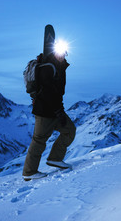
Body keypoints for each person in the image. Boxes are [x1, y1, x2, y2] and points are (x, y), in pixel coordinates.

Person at [22, 42, 76, 181]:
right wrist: (58, 111)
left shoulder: (58, 67)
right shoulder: (48, 67)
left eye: (64, 52)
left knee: (69, 130)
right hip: (45, 111)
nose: (62, 55)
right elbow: (47, 93)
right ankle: (29, 172)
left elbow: (57, 93)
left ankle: (55, 158)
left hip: (55, 109)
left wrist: (59, 110)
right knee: (39, 140)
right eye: (59, 52)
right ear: (54, 52)